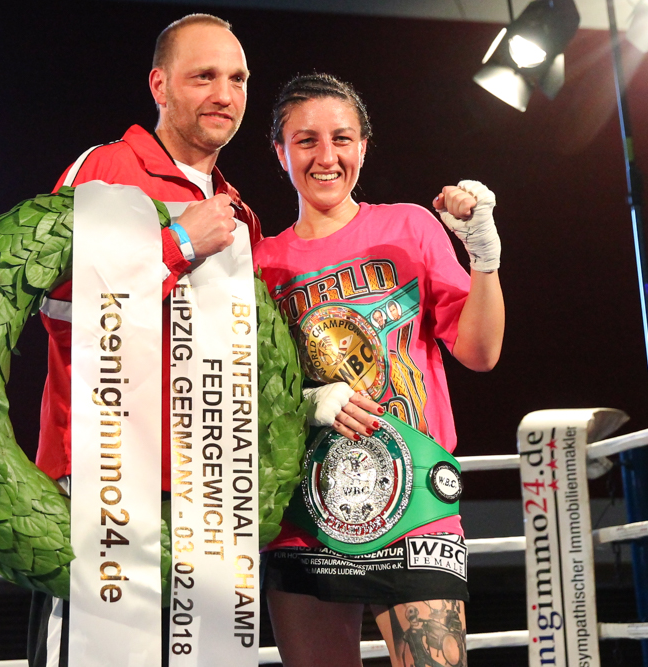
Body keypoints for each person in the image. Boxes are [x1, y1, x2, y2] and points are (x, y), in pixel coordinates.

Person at [27, 14, 262, 667]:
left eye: (238, 78)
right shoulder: (107, 168)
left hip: (215, 489)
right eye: (204, 76)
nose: (224, 94)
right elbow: (60, 303)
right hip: (105, 479)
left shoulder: (239, 211)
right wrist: (180, 242)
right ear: (159, 85)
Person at [253, 73, 504, 667]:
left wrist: (484, 256)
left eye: (342, 138)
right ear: (280, 151)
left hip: (415, 503)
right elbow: (247, 395)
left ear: (363, 147)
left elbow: (481, 352)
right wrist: (308, 402)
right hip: (303, 512)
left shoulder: (409, 227)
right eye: (306, 140)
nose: (327, 156)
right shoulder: (259, 263)